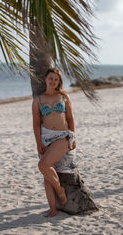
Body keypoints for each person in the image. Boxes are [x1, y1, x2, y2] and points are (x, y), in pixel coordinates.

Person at [32, 68, 76, 217]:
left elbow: (70, 118)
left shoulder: (64, 97)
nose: (53, 81)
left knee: (43, 165)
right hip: (46, 137)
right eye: (51, 78)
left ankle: (60, 191)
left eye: (56, 79)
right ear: (45, 79)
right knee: (46, 173)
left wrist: (73, 137)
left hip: (62, 136)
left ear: (59, 82)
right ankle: (53, 209)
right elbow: (36, 123)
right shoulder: (38, 100)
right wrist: (39, 143)